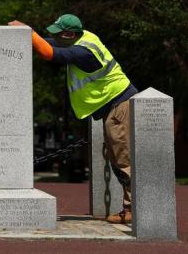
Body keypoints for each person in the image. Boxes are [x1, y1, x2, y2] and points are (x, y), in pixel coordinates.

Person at [9, 14, 137, 224]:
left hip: (118, 105)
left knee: (123, 159)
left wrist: (29, 32)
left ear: (69, 34)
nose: (53, 36)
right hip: (112, 106)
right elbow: (49, 43)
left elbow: (48, 52)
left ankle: (133, 210)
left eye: (58, 33)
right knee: (117, 158)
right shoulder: (81, 39)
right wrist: (26, 34)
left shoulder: (83, 51)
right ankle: (130, 208)